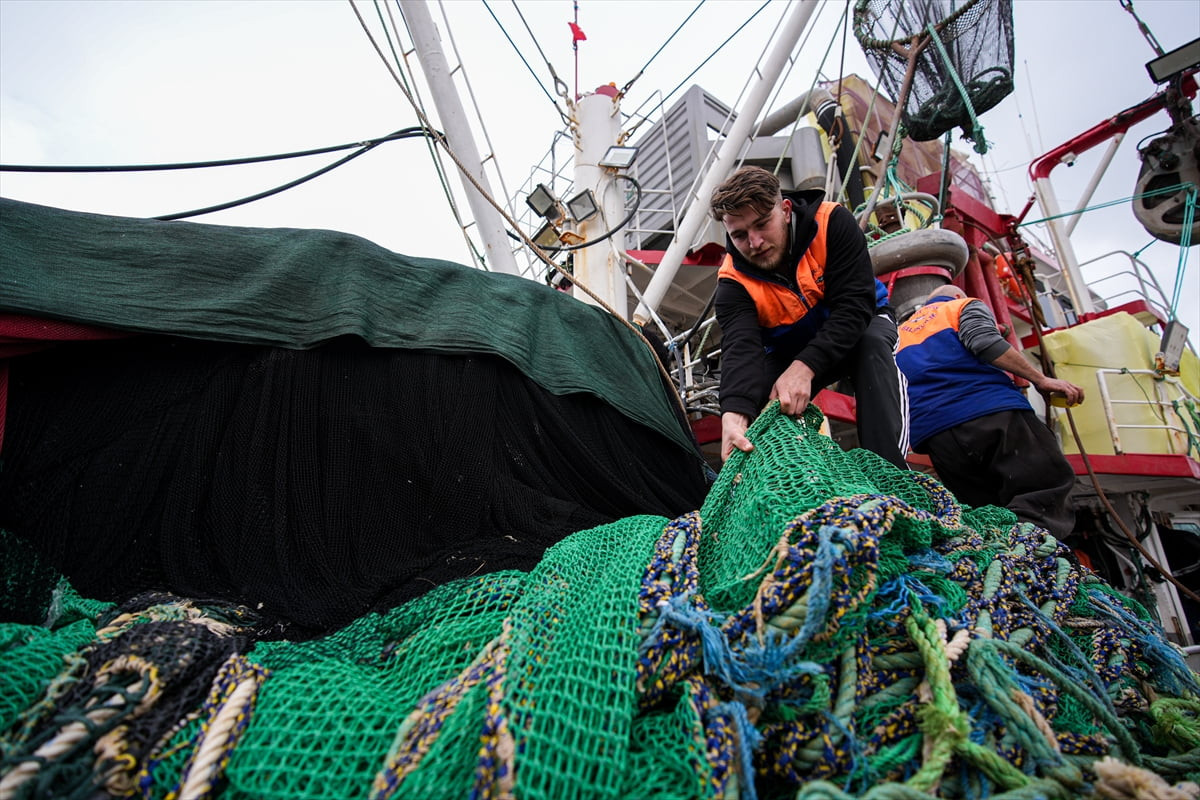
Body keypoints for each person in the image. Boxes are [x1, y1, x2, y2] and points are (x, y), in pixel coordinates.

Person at [709, 166, 910, 468]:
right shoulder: (731, 282)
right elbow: (741, 347)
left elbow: (854, 306)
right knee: (758, 400)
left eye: (762, 224)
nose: (755, 242)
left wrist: (805, 367)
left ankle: (889, 472)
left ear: (786, 210)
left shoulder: (832, 222)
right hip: (788, 348)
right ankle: (778, 484)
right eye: (739, 235)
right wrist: (734, 413)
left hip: (861, 324)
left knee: (871, 347)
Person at [896, 284, 1084, 538]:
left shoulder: (898, 333)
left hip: (937, 436)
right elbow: (984, 342)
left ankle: (999, 558)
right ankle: (1031, 551)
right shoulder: (960, 306)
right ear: (957, 295)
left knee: (984, 510)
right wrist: (1041, 379)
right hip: (990, 412)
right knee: (1043, 490)